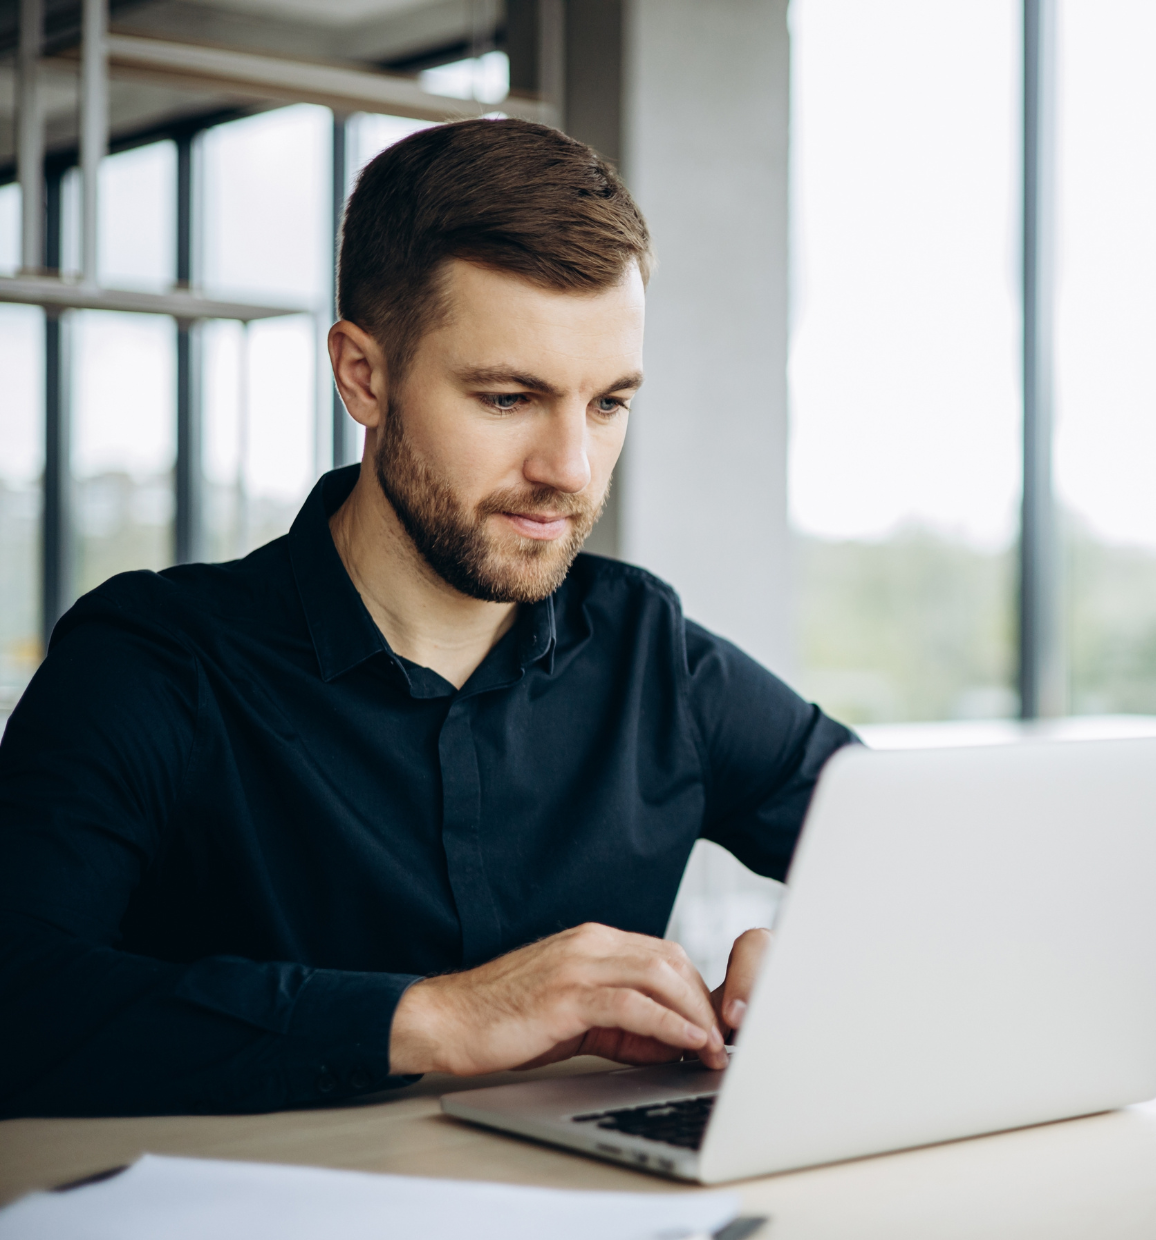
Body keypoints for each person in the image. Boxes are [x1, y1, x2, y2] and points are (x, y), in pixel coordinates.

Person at [0, 119, 854, 1117]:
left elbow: (942, 861)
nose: (569, 470)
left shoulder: (652, 659)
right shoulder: (154, 663)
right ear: (364, 376)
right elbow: (21, 996)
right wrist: (435, 1018)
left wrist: (814, 957)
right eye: (506, 398)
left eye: (608, 403)